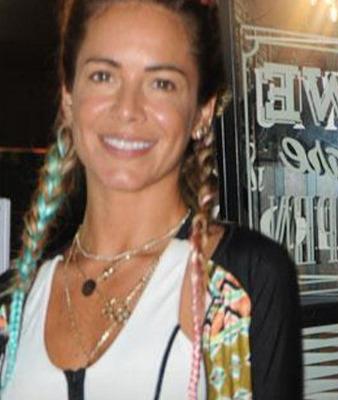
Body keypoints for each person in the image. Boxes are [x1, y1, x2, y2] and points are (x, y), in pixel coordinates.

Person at [0, 0, 303, 399]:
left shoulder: (244, 278)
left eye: (162, 83)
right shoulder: (14, 303)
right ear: (69, 97)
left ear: (202, 112)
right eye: (103, 76)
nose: (128, 109)